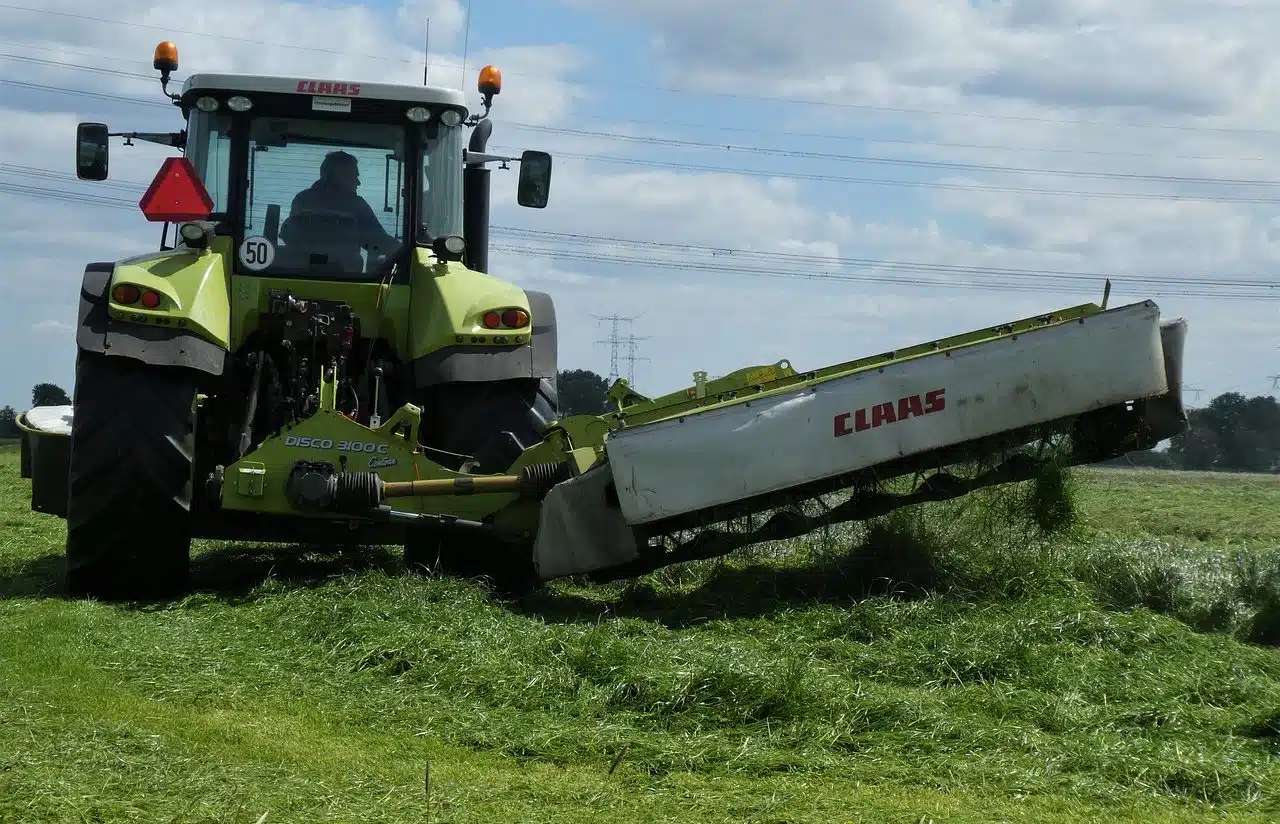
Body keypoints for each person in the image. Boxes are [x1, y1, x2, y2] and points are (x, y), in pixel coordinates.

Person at [279, 150, 399, 271]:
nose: (358, 182)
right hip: (346, 279)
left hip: (298, 274)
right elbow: (379, 242)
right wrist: (405, 251)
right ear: (340, 176)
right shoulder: (355, 204)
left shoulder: (302, 199)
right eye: (354, 176)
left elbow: (288, 235)